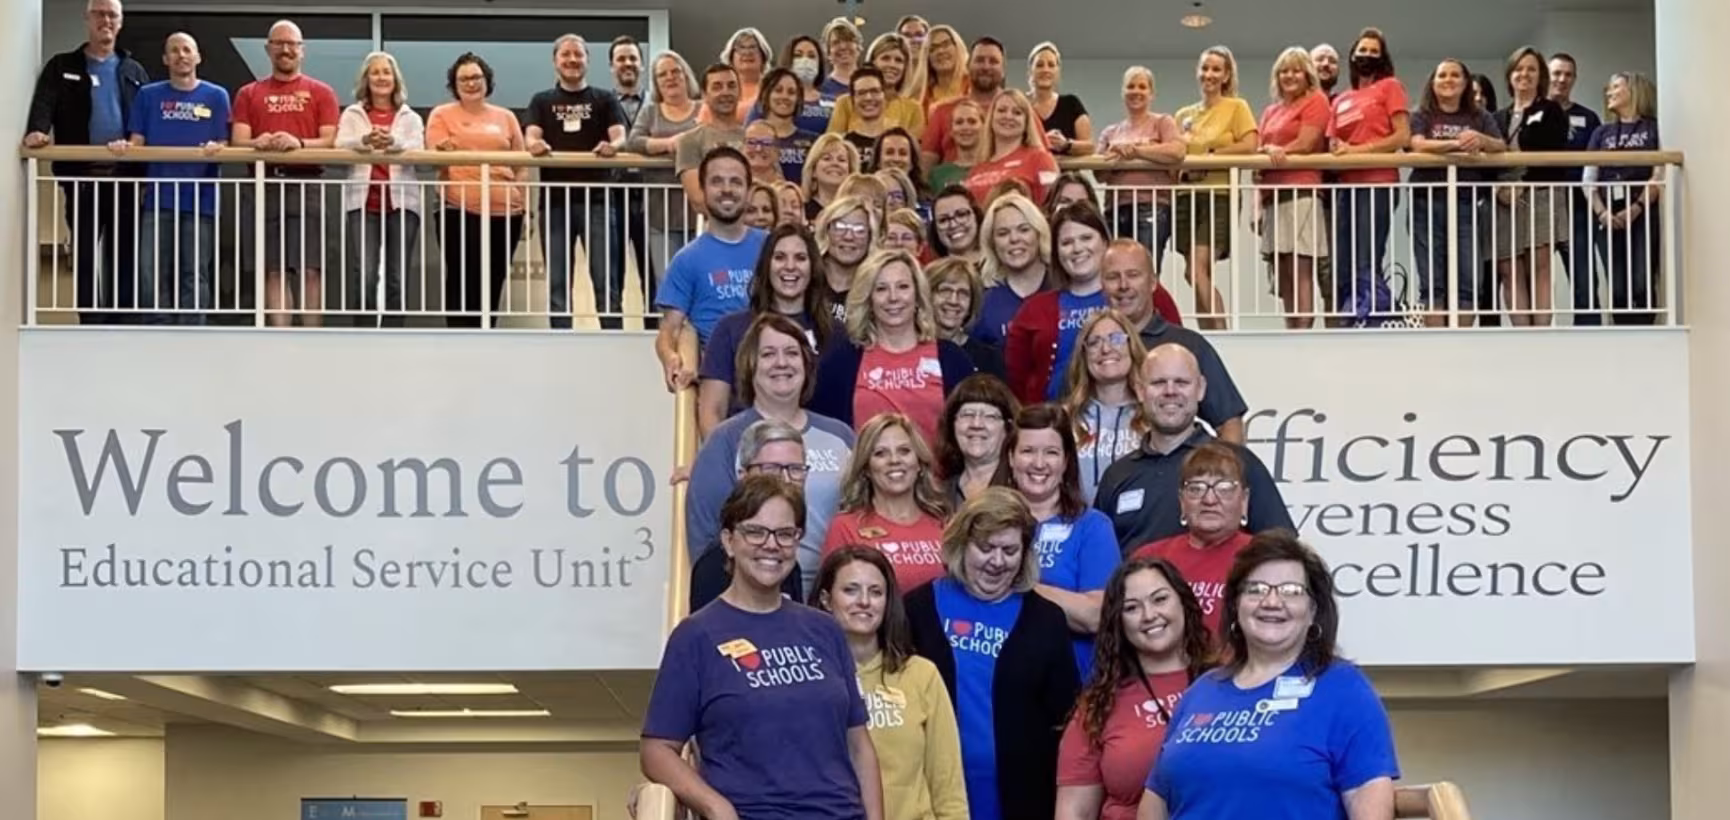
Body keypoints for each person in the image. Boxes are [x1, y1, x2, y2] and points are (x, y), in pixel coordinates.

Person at [642, 475, 886, 820]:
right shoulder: (695, 636)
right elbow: (656, 750)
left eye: (785, 534)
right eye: (755, 532)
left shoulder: (824, 629)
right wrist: (716, 807)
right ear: (728, 540)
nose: (771, 545)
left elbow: (859, 746)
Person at [1139, 533, 1400, 819]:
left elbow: (1370, 803)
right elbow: (1156, 802)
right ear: (1236, 605)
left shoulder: (1344, 689)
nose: (1272, 601)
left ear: (1313, 610)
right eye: (1256, 589)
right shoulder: (1202, 691)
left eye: (1291, 590)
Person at [905, 487, 1081, 820]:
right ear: (962, 544)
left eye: (1010, 550)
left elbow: (1067, 721)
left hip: (1025, 801)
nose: (997, 562)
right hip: (931, 799)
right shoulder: (917, 609)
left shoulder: (1046, 620)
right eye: (985, 547)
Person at [689, 316, 856, 590]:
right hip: (756, 595)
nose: (782, 362)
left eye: (792, 353)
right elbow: (706, 537)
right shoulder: (725, 440)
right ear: (750, 366)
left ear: (806, 365)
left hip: (835, 596)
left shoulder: (841, 436)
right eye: (768, 354)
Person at [811, 547, 970, 820]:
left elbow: (948, 784)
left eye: (876, 592)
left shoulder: (921, 675)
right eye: (850, 590)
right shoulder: (810, 681)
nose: (864, 601)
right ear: (826, 599)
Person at [1055, 557, 1212, 820]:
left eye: (1160, 599)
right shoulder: (1099, 705)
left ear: (1184, 602)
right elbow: (1074, 811)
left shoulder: (1227, 683)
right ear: (1118, 622)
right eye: (1131, 608)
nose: (1149, 615)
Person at [1093, 344, 1289, 553]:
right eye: (1159, 383)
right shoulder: (1117, 475)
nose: (1170, 391)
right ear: (1140, 391)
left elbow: (1283, 551)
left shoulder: (1238, 463)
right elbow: (1097, 560)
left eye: (1181, 382)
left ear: (1201, 389)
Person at [25, 0, 148, 325]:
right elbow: (45, 102)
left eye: (112, 15)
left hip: (124, 176)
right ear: (87, 19)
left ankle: (123, 320)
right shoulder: (62, 65)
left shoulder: (133, 70)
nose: (106, 20)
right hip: (81, 176)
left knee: (123, 252)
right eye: (99, 14)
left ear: (120, 23)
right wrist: (37, 131)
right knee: (84, 252)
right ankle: (91, 320)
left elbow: (145, 120)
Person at [113, 32, 228, 325]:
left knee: (195, 270)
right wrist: (124, 147)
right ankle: (156, 328)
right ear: (165, 59)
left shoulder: (216, 96)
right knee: (151, 268)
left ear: (198, 56)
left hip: (201, 199)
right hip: (158, 198)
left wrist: (220, 148)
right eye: (174, 51)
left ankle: (193, 330)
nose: (181, 55)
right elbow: (136, 140)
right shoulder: (148, 95)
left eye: (187, 49)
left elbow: (226, 143)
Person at [231, 19, 340, 327]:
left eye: (292, 43)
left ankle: (311, 344)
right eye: (279, 43)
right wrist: (258, 143)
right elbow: (239, 139)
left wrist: (299, 143)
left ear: (302, 50)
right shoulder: (249, 93)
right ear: (268, 49)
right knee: (273, 268)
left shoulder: (322, 92)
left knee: (309, 269)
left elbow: (331, 140)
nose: (286, 49)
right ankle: (281, 341)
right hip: (262, 186)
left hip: (307, 184)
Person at [808, 248, 977, 443]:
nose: (893, 297)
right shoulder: (842, 361)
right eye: (881, 289)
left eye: (903, 287)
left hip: (935, 473)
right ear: (868, 299)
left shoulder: (951, 358)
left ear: (917, 294)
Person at [525, 34, 629, 330]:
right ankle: (560, 340)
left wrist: (615, 147)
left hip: (598, 200)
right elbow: (531, 135)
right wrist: (534, 144)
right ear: (555, 61)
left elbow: (620, 135)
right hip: (556, 201)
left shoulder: (604, 98)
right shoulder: (542, 100)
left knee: (605, 278)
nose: (572, 60)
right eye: (565, 54)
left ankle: (612, 339)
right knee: (557, 280)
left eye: (578, 54)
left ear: (587, 60)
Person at [1010, 403, 1120, 676]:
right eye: (1027, 451)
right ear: (1010, 458)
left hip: (1073, 681)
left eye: (1051, 452)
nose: (1038, 463)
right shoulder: (985, 525)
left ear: (1067, 461)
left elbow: (1096, 616)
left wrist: (1016, 586)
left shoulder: (1093, 526)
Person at [698, 224, 839, 434]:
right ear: (766, 265)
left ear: (813, 268)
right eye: (780, 257)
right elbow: (712, 410)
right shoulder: (730, 329)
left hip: (820, 459)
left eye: (800, 258)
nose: (790, 266)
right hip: (745, 456)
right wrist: (724, 461)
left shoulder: (837, 336)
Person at [1099, 240, 1245, 443]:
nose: (1123, 285)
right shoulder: (1094, 349)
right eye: (1113, 277)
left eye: (1133, 275)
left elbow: (1230, 423)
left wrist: (1228, 471)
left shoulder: (1189, 346)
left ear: (1153, 282)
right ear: (1101, 286)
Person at [654, 146, 767, 390]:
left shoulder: (772, 247)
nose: (727, 189)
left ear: (749, 192)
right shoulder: (686, 260)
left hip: (772, 375)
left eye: (735, 182)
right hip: (719, 382)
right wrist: (670, 358)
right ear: (703, 191)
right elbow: (669, 330)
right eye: (717, 182)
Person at [427, 52, 525, 329]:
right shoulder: (442, 114)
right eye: (464, 78)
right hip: (459, 208)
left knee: (494, 278)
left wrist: (524, 202)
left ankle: (486, 335)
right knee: (461, 277)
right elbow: (434, 151)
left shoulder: (506, 117)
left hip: (506, 210)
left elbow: (523, 163)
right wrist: (443, 152)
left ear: (487, 80)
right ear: (454, 85)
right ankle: (459, 338)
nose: (471, 83)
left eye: (476, 77)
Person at [1408, 58, 1504, 327]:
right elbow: (1416, 144)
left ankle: (1461, 338)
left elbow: (1500, 146)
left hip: (1466, 200)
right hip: (1425, 200)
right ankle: (1437, 341)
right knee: (1431, 276)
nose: (1448, 80)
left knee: (1469, 275)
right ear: (1433, 82)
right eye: (1442, 75)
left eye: (1455, 75)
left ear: (1465, 83)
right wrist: (1456, 144)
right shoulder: (1421, 114)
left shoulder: (1479, 117)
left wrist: (1482, 140)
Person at [1130, 442, 1255, 640]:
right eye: (1196, 488)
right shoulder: (1149, 558)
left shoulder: (1263, 557)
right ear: (1181, 500)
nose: (1210, 500)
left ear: (1244, 499)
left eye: (1224, 488)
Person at [688, 418, 814, 611]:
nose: (786, 479)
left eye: (795, 469)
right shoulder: (715, 565)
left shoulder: (788, 562)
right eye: (772, 469)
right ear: (742, 474)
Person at [334, 50, 421, 328]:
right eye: (375, 72)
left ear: (395, 79)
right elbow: (339, 144)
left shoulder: (409, 116)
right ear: (366, 79)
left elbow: (418, 149)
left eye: (386, 72)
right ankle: (365, 332)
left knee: (398, 275)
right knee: (366, 272)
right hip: (363, 202)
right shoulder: (353, 113)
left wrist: (392, 142)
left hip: (402, 204)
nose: (381, 77)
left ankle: (394, 332)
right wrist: (365, 139)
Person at [1327, 28, 1408, 327]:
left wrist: (1361, 149)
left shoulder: (1390, 87)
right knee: (1343, 259)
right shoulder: (1341, 99)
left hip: (1377, 181)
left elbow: (1402, 135)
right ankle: (1348, 315)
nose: (1367, 56)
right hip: (1347, 185)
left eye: (1374, 52)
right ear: (1352, 56)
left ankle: (1369, 316)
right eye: (1363, 51)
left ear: (1382, 58)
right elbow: (1333, 141)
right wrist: (1338, 148)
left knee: (1366, 254)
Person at [1172, 46, 1256, 330]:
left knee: (1198, 266)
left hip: (1218, 194)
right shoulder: (1184, 114)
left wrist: (1209, 157)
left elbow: (1249, 145)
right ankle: (1208, 335)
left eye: (1216, 69)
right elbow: (1174, 153)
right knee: (1193, 270)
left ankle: (1222, 332)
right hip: (1185, 195)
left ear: (1226, 75)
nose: (1209, 74)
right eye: (1205, 68)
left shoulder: (1236, 107)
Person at [823, 413, 951, 591]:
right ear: (866, 468)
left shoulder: (945, 525)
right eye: (880, 453)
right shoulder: (845, 528)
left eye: (904, 451)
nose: (894, 460)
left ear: (919, 463)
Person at [1256, 47, 1332, 329]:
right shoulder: (1271, 111)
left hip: (1301, 190)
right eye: (1284, 71)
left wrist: (1277, 151)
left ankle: (1303, 332)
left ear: (1307, 74)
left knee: (1301, 266)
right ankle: (1291, 329)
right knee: (1283, 268)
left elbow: (1307, 142)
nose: (1289, 75)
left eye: (1296, 70)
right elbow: (1259, 148)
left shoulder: (1316, 101)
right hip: (1272, 195)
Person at [1005, 203, 1111, 404]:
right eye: (1067, 242)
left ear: (1105, 242)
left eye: (1086, 238)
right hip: (1052, 422)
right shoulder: (1034, 310)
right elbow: (1016, 378)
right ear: (1057, 252)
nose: (1077, 248)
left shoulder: (1132, 294)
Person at [1493, 47, 1569, 327]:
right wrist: (1500, 188)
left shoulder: (1551, 111)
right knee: (1509, 267)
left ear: (1541, 76)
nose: (1524, 74)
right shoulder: (1498, 117)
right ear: (1509, 75)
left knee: (1540, 265)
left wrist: (1523, 184)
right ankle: (1522, 335)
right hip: (1503, 197)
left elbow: (1553, 152)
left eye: (1531, 69)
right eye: (1518, 69)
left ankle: (1540, 336)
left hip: (1540, 193)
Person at [625, 50, 703, 301]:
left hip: (700, 209)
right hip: (660, 210)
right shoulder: (651, 112)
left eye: (675, 71)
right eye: (662, 75)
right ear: (656, 83)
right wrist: (669, 144)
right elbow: (633, 142)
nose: (670, 78)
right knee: (667, 281)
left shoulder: (703, 109)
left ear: (685, 75)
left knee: (700, 280)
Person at [1586, 71, 1662, 326]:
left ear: (1634, 90)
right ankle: (1622, 338)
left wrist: (1637, 207)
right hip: (1608, 211)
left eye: (1616, 86)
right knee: (1617, 287)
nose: (1609, 92)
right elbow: (1589, 179)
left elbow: (1658, 173)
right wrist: (1602, 213)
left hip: (1642, 209)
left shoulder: (1653, 128)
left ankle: (1647, 337)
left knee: (1641, 281)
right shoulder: (1601, 132)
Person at [1095, 66, 1184, 262]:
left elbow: (1177, 151)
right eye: (1131, 86)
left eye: (1142, 87)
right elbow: (1098, 174)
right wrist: (1115, 154)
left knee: (1145, 266)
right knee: (1115, 267)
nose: (1136, 91)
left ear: (1151, 93)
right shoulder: (1110, 131)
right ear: (1123, 92)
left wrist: (1135, 151)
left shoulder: (1162, 122)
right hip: (1116, 207)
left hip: (1152, 205)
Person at [1062, 310, 1149, 504]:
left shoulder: (1154, 415)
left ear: (1132, 346)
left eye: (1116, 338)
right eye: (1094, 342)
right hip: (1079, 525)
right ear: (1083, 355)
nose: (1106, 349)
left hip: (1140, 530)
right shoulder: (1064, 419)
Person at [1548, 52, 1604, 324]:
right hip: (1542, 202)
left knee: (1583, 272)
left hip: (1578, 204)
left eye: (1568, 74)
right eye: (1556, 73)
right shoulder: (1533, 113)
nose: (1561, 79)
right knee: (1536, 275)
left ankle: (1589, 334)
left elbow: (1597, 163)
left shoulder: (1589, 117)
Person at [972, 193, 1051, 349]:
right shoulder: (983, 301)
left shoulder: (1063, 286)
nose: (1014, 239)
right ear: (992, 242)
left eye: (1023, 229)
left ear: (1038, 233)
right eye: (1003, 233)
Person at [964, 89, 1060, 206]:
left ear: (1026, 122)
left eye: (1017, 112)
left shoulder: (1040, 159)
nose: (1008, 116)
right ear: (991, 118)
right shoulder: (977, 168)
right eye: (1001, 110)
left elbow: (1051, 206)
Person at [921, 36, 1005, 169]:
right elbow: (926, 166)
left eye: (993, 61)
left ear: (1003, 70)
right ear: (968, 66)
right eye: (979, 60)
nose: (986, 66)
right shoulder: (942, 111)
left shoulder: (1019, 110)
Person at [935, 373, 1018, 508]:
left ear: (1008, 427)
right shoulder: (938, 493)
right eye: (967, 414)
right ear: (952, 424)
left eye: (989, 416)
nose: (976, 424)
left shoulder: (1021, 487)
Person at [675, 65, 747, 213]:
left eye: (731, 86)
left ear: (740, 92)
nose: (725, 92)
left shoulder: (754, 137)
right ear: (704, 95)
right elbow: (698, 198)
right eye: (717, 87)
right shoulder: (689, 141)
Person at [927, 257, 1005, 378]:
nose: (954, 301)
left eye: (963, 293)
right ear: (927, 295)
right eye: (945, 291)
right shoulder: (911, 350)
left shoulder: (990, 358)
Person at [1028, 42, 1093, 157]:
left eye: (1051, 65)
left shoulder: (1071, 104)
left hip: (1065, 174)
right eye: (1039, 65)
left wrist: (1066, 144)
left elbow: (1089, 147)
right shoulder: (1020, 104)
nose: (1045, 69)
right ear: (1030, 72)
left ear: (1057, 72)